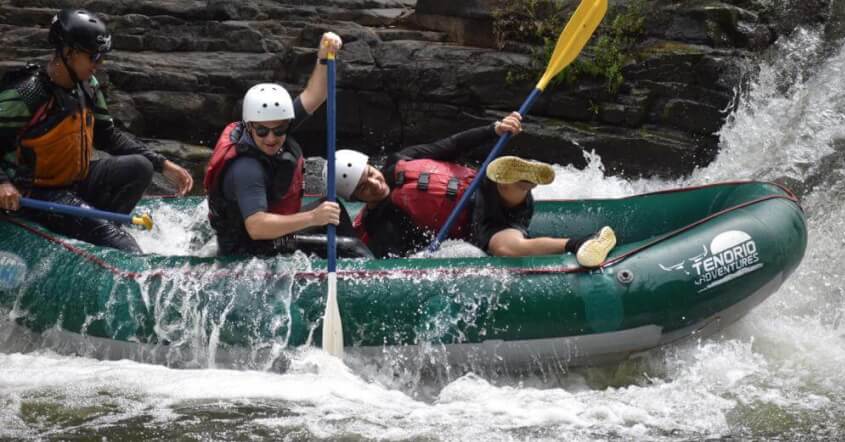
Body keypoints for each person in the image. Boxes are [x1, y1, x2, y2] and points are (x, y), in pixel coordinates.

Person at [0, 9, 193, 253]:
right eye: (93, 57)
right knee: (123, 245)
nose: (99, 64)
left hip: (73, 183)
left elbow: (108, 136)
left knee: (140, 166)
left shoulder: (88, 87)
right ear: (68, 52)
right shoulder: (28, 92)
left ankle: (98, 228)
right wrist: (3, 183)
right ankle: (106, 235)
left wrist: (163, 164)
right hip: (36, 195)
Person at [332, 112, 617, 266]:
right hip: (481, 227)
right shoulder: (380, 222)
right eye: (363, 188)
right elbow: (404, 255)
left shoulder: (401, 160)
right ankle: (581, 244)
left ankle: (523, 178)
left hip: (484, 189)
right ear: (357, 198)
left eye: (369, 174)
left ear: (372, 165)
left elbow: (452, 145)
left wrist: (494, 129)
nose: (373, 182)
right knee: (506, 249)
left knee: (500, 183)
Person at [204, 33, 370, 258]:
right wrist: (313, 218)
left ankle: (363, 258)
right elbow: (257, 226)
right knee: (352, 249)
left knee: (332, 206)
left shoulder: (273, 122)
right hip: (249, 247)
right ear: (250, 126)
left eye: (279, 130)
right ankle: (365, 268)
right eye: (263, 131)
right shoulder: (246, 168)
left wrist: (323, 55)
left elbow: (315, 95)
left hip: (270, 232)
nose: (271, 138)